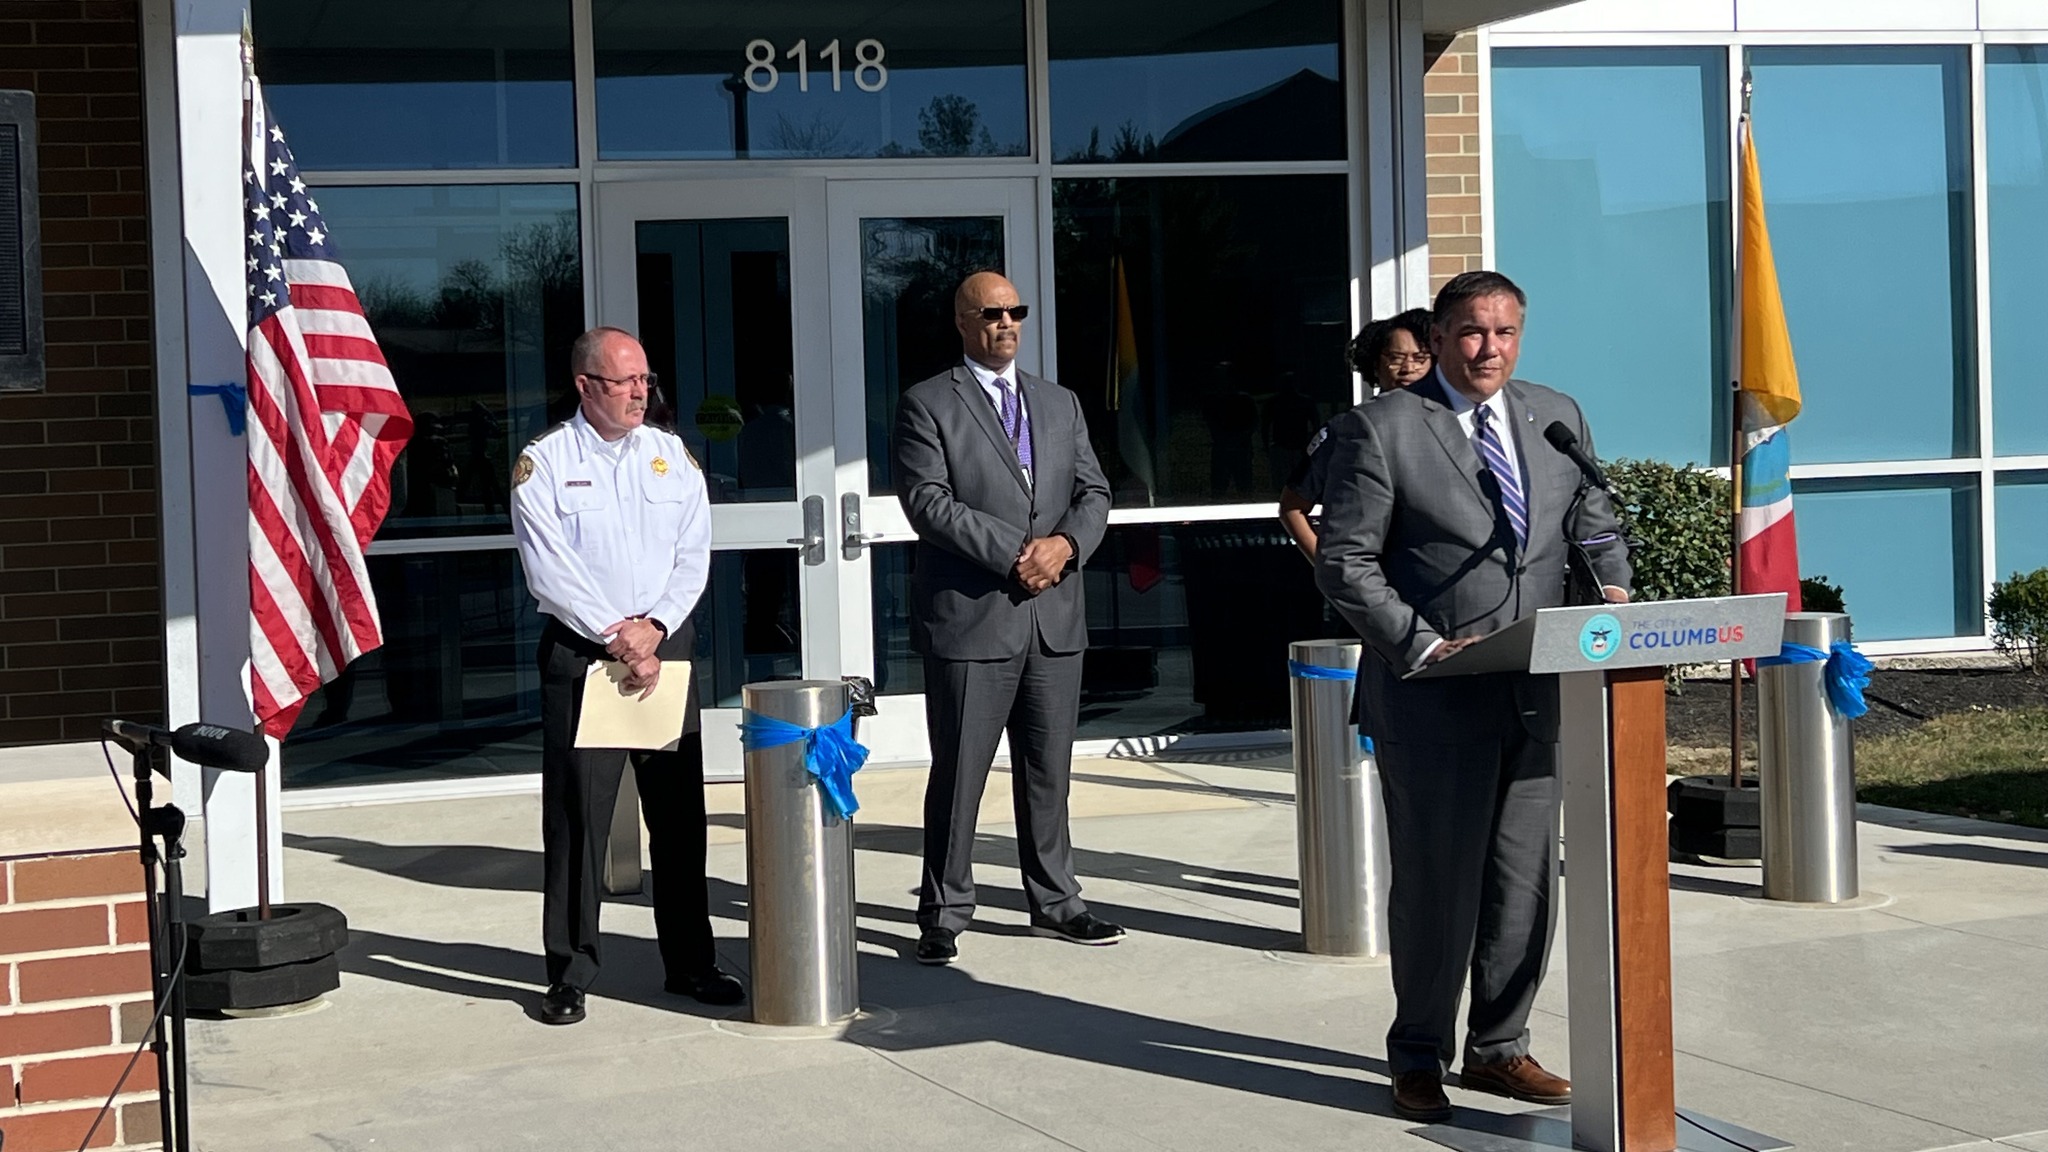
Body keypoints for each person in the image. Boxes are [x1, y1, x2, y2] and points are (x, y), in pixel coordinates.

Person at [1312, 272, 1631, 1121]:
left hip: (1539, 689)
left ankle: (1500, 1049)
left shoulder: (1554, 415)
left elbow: (1594, 521)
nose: (1491, 349)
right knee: (1438, 886)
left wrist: (1613, 591)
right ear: (1439, 338)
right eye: (1472, 332)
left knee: (1524, 882)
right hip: (1433, 696)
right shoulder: (1382, 428)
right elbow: (1345, 561)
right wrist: (1419, 642)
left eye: (1506, 332)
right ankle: (1418, 1052)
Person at [511, 326, 744, 1026]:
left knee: (678, 817)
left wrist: (656, 628)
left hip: (663, 650)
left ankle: (692, 963)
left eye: (645, 379)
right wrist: (618, 634)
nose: (640, 393)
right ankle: (570, 972)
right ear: (586, 386)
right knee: (578, 824)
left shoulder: (670, 456)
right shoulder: (546, 462)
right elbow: (549, 570)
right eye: (624, 381)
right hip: (586, 657)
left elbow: (694, 553)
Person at [892, 271, 1120, 965]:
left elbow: (1094, 491)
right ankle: (944, 911)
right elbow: (928, 502)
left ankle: (1057, 902)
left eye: (1015, 311)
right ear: (963, 322)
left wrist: (1066, 546)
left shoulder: (1059, 402)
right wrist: (1019, 553)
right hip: (974, 620)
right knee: (961, 773)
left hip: (1054, 618)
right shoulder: (928, 402)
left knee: (1049, 772)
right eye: (991, 313)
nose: (1006, 323)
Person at [1278, 308, 1432, 560]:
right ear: (1375, 363)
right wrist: (1330, 570)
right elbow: (1292, 507)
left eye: (1420, 358)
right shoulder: (1347, 429)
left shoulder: (1458, 426)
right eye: (1395, 358)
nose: (1408, 368)